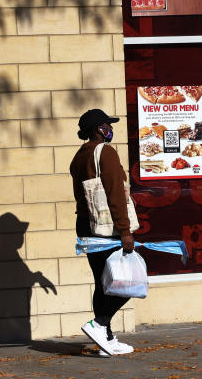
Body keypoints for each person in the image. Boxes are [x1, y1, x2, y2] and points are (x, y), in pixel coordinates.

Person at [70, 108, 136, 357]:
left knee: (102, 281)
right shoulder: (105, 152)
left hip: (86, 223)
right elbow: (114, 194)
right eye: (108, 124)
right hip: (107, 227)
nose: (111, 128)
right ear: (99, 129)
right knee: (127, 280)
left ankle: (105, 338)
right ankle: (99, 324)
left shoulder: (79, 155)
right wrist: (125, 230)